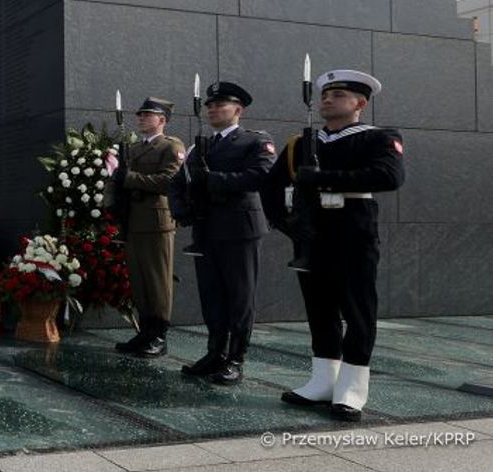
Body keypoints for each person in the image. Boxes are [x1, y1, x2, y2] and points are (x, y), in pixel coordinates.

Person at [261, 69, 404, 422]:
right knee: (320, 310)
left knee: (357, 311)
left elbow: (389, 176)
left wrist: (324, 179)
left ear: (360, 103)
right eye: (325, 94)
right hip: (313, 237)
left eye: (337, 95)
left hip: (353, 233)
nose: (327, 99)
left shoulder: (379, 137)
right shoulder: (302, 143)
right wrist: (285, 224)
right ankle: (324, 381)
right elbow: (271, 186)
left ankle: (352, 390)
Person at [169, 82, 275, 385]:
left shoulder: (255, 141)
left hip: (239, 229)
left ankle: (235, 358)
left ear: (238, 110)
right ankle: (215, 352)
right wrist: (181, 211)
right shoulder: (199, 146)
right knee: (212, 295)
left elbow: (260, 176)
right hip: (206, 229)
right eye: (210, 105)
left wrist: (212, 179)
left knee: (239, 296)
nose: (212, 109)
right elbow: (177, 183)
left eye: (220, 105)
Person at [104, 98, 185, 358]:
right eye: (139, 115)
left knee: (158, 280)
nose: (141, 118)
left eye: (147, 115)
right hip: (134, 221)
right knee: (139, 281)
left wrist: (126, 177)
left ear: (162, 120)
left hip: (156, 223)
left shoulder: (171, 146)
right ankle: (145, 331)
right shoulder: (134, 148)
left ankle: (159, 334)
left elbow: (167, 181)